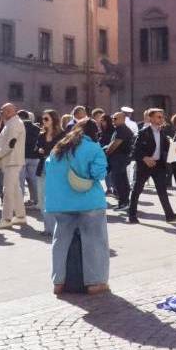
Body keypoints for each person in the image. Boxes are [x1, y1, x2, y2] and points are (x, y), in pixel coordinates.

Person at [44, 118, 110, 295]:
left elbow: (48, 170)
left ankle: (58, 282)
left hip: (60, 203)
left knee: (60, 241)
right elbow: (99, 173)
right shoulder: (93, 148)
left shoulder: (58, 148)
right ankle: (95, 283)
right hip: (89, 201)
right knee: (95, 241)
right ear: (93, 132)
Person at [127, 108, 176, 224]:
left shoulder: (162, 132)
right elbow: (134, 150)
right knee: (137, 190)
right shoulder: (142, 132)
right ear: (151, 118)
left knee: (162, 190)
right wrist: (145, 158)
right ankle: (132, 215)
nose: (161, 119)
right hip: (145, 166)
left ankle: (169, 215)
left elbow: (168, 149)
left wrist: (175, 150)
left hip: (158, 165)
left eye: (162, 117)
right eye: (158, 117)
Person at [36, 109, 64, 235]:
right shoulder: (41, 135)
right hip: (42, 169)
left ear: (54, 120)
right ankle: (48, 228)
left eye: (46, 119)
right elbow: (36, 150)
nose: (44, 121)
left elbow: (63, 152)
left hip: (55, 170)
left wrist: (48, 152)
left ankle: (55, 229)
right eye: (43, 119)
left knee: (53, 199)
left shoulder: (61, 135)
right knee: (41, 200)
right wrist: (39, 151)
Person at [0, 103, 27, 228]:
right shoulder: (12, 122)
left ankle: (7, 218)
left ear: (9, 111)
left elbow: (10, 144)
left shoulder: (14, 123)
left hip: (12, 161)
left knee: (8, 190)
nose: (1, 114)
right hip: (11, 161)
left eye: (2, 111)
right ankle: (20, 216)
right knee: (15, 190)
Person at [104, 112, 134, 210]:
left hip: (120, 158)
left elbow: (114, 144)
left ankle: (124, 203)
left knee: (119, 181)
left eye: (115, 118)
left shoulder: (122, 130)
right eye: (113, 118)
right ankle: (124, 202)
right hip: (119, 158)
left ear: (123, 119)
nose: (113, 120)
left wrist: (106, 152)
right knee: (121, 180)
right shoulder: (119, 129)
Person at [18, 110, 40, 207]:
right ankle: (35, 200)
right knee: (33, 180)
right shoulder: (37, 128)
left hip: (21, 156)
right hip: (35, 157)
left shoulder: (19, 127)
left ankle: (20, 202)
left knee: (21, 180)